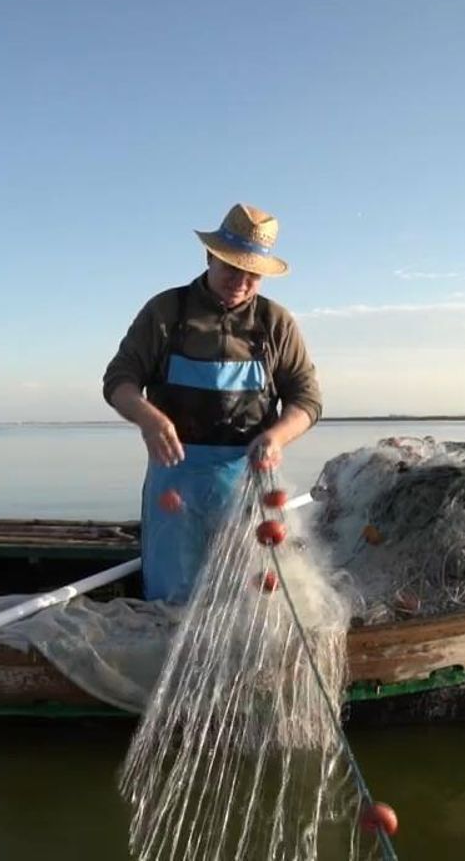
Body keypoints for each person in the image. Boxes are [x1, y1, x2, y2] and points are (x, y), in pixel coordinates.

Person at [102, 204, 322, 602]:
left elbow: (306, 398)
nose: (241, 281)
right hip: (175, 480)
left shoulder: (276, 323)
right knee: (173, 592)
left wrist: (276, 437)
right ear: (210, 257)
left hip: (247, 483)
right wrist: (148, 418)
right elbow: (119, 380)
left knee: (247, 593)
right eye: (232, 268)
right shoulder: (166, 311)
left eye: (252, 273)